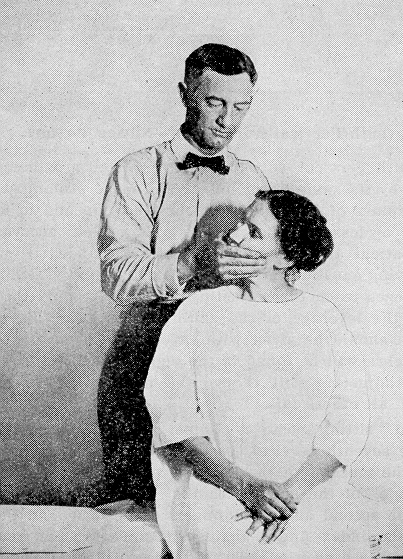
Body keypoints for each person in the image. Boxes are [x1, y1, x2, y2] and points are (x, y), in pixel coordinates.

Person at [144, 190, 371, 558]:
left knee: (321, 539)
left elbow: (348, 420)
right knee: (232, 544)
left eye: (253, 232)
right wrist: (246, 488)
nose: (233, 237)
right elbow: (173, 418)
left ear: (284, 257)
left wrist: (289, 496)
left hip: (306, 491)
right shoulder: (197, 312)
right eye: (240, 225)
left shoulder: (323, 319)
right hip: (219, 488)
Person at [97, 43, 271, 506]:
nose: (227, 120)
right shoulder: (137, 170)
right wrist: (193, 264)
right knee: (142, 508)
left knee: (225, 506)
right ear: (184, 94)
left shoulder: (253, 180)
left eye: (241, 106)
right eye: (214, 102)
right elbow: (116, 275)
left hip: (229, 359)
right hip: (147, 350)